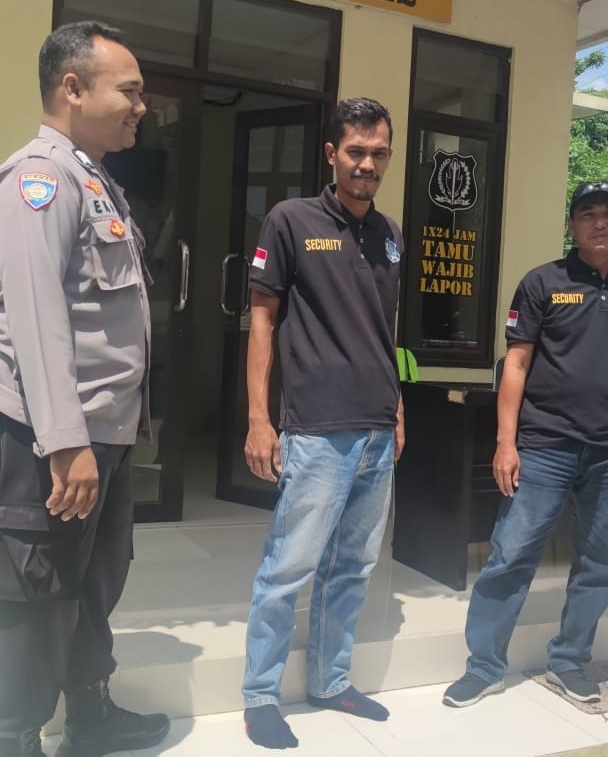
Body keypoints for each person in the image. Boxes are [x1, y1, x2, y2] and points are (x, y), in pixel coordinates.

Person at [0, 21, 169, 757]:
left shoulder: (94, 180)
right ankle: (14, 739)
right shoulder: (38, 181)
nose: (142, 107)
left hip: (100, 428)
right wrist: (64, 441)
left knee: (95, 579)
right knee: (38, 589)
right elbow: (37, 316)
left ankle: (90, 711)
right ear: (73, 88)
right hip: (50, 430)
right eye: (130, 91)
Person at [442, 180, 608, 708]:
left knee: (604, 562)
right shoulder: (543, 282)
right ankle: (484, 667)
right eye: (588, 214)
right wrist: (506, 443)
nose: (600, 222)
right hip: (545, 446)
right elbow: (516, 364)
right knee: (511, 555)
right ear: (572, 225)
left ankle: (569, 661)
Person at [240, 97, 405, 749]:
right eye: (356, 152)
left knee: (354, 567)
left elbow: (383, 330)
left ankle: (331, 681)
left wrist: (397, 405)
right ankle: (260, 696)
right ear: (332, 154)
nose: (368, 164)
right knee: (289, 568)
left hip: (377, 428)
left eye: (379, 153)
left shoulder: (390, 234)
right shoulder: (291, 220)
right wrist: (259, 418)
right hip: (315, 429)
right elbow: (262, 320)